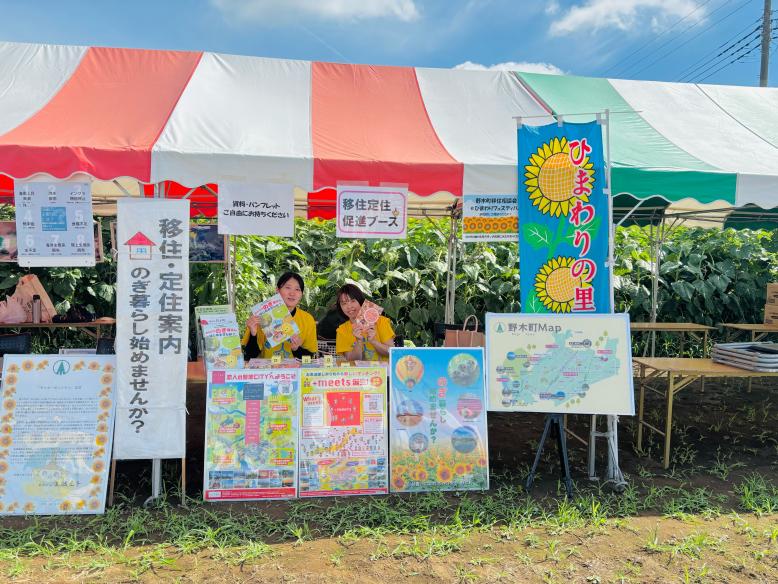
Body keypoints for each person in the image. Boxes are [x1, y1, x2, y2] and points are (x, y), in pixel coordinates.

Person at [242, 272, 317, 360]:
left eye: (297, 289)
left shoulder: (307, 319)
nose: (292, 293)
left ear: (301, 294)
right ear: (277, 290)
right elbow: (249, 356)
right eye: (287, 287)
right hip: (267, 372)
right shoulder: (261, 316)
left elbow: (311, 357)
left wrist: (296, 349)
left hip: (295, 372)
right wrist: (253, 334)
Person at [335, 283, 395, 362]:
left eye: (353, 301)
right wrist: (358, 342)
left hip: (384, 372)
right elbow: (350, 360)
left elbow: (392, 352)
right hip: (359, 373)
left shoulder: (381, 321)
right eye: (344, 303)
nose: (349, 306)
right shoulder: (342, 330)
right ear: (340, 307)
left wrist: (374, 341)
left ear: (360, 301)